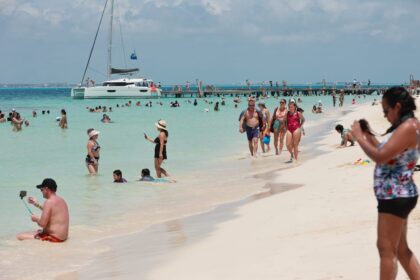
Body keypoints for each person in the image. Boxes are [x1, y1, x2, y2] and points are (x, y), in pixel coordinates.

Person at [350, 87, 419, 279]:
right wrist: (368, 136)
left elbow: (380, 157)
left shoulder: (409, 127)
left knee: (386, 250)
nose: (386, 116)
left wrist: (358, 138)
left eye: (386, 111)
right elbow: (386, 151)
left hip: (396, 195)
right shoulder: (405, 126)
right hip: (398, 193)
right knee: (401, 249)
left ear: (397, 107)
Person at [16, 178, 69, 242]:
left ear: (46, 189)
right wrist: (36, 204)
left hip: (54, 238)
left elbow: (42, 224)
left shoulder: (49, 202)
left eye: (41, 189)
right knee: (33, 231)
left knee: (19, 236)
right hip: (62, 237)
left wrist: (36, 219)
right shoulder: (61, 200)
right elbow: (52, 212)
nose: (41, 192)